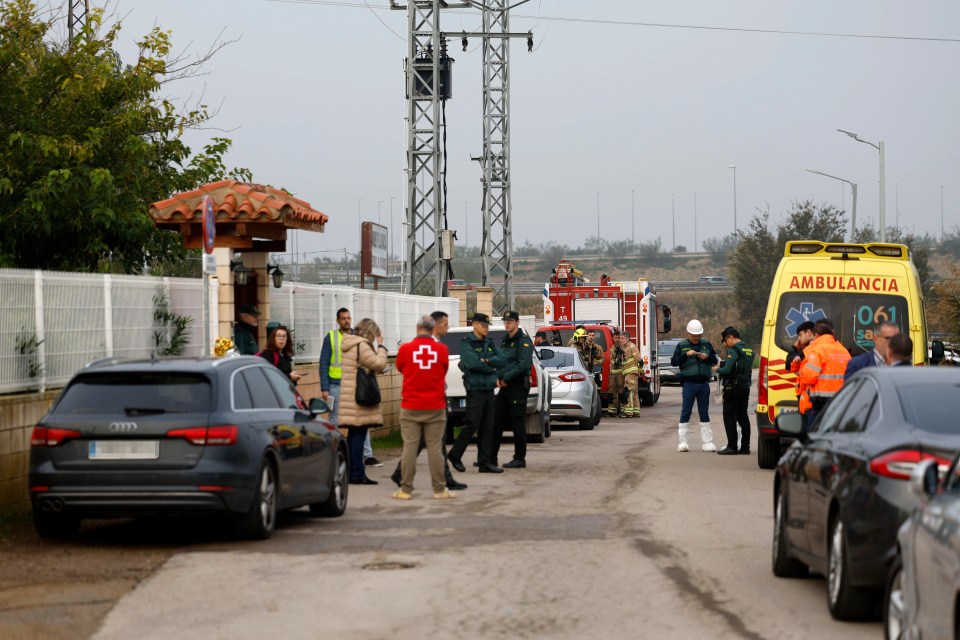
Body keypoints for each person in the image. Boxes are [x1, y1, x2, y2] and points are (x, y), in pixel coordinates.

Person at [391, 311, 467, 491]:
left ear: (418, 328)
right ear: (434, 327)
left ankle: (405, 484)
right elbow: (443, 369)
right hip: (435, 404)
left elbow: (401, 367)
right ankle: (440, 487)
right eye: (445, 324)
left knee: (411, 447)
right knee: (435, 448)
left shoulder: (405, 349)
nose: (447, 328)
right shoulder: (441, 349)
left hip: (411, 404)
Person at [320, 309, 381, 468]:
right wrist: (324, 388)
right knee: (334, 421)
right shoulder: (331, 338)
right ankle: (335, 455)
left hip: (355, 385)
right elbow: (324, 363)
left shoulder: (357, 337)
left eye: (348, 318)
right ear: (337, 321)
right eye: (343, 319)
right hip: (335, 385)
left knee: (362, 420)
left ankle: (367, 455)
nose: (346, 321)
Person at [448, 313, 504, 474]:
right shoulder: (467, 343)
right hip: (475, 389)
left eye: (487, 326)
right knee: (472, 423)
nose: (486, 328)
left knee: (488, 427)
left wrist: (486, 361)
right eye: (483, 325)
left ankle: (484, 462)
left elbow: (501, 359)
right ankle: (455, 454)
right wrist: (490, 365)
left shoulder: (489, 342)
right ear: (475, 325)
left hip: (489, 389)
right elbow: (472, 363)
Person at [338, 318, 389, 485]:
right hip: (358, 399)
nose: (375, 338)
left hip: (350, 395)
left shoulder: (350, 344)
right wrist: (381, 347)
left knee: (354, 436)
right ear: (370, 333)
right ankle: (357, 474)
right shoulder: (362, 345)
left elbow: (361, 367)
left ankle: (353, 472)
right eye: (375, 335)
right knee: (358, 436)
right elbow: (379, 364)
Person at [491, 310, 534, 469]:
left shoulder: (523, 341)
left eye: (510, 321)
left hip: (517, 387)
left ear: (517, 322)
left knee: (517, 423)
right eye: (505, 321)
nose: (507, 324)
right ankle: (491, 457)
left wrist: (506, 379)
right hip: (505, 386)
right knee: (496, 421)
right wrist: (498, 377)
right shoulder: (504, 340)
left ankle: (519, 458)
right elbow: (502, 361)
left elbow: (523, 365)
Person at [671, 319, 719, 452]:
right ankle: (683, 442)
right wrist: (686, 355)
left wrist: (707, 358)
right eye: (694, 335)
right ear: (688, 333)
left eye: (699, 335)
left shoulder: (706, 344)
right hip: (689, 384)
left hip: (704, 383)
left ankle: (707, 442)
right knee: (686, 411)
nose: (697, 338)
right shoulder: (681, 345)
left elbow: (715, 360)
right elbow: (674, 362)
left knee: (704, 412)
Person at [797, 319, 851, 428]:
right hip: (841, 404)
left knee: (814, 441)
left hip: (820, 406)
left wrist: (802, 371)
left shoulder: (818, 350)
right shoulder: (844, 350)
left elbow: (808, 378)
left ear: (816, 335)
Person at [714, 326, 754, 456]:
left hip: (733, 388)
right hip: (745, 387)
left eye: (726, 340)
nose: (726, 343)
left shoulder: (734, 350)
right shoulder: (749, 350)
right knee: (743, 416)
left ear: (730, 337)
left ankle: (732, 446)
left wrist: (717, 369)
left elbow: (727, 370)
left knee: (729, 415)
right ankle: (745, 447)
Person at [618, 329, 642, 418]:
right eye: (620, 338)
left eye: (622, 338)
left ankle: (628, 412)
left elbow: (639, 360)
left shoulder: (632, 347)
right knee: (634, 391)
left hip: (632, 372)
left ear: (627, 339)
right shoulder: (623, 348)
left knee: (629, 391)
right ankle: (636, 411)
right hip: (627, 372)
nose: (620, 340)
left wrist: (640, 370)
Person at [606, 332, 626, 417]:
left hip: (621, 373)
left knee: (621, 392)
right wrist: (615, 362)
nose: (617, 339)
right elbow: (611, 359)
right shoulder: (612, 348)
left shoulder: (624, 348)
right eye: (615, 338)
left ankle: (622, 410)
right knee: (611, 392)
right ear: (613, 339)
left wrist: (621, 359)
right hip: (612, 373)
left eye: (618, 338)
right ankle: (612, 411)